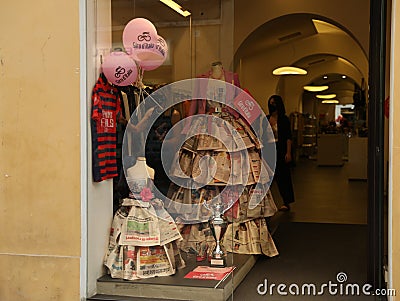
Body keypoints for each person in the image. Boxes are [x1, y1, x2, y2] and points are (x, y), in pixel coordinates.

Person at [267, 94, 295, 211]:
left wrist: (288, 152)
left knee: (283, 176)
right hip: (269, 148)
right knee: (268, 177)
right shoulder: (266, 118)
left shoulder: (284, 119)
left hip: (281, 148)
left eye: (274, 103)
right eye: (270, 103)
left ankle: (286, 201)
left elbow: (288, 137)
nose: (272, 105)